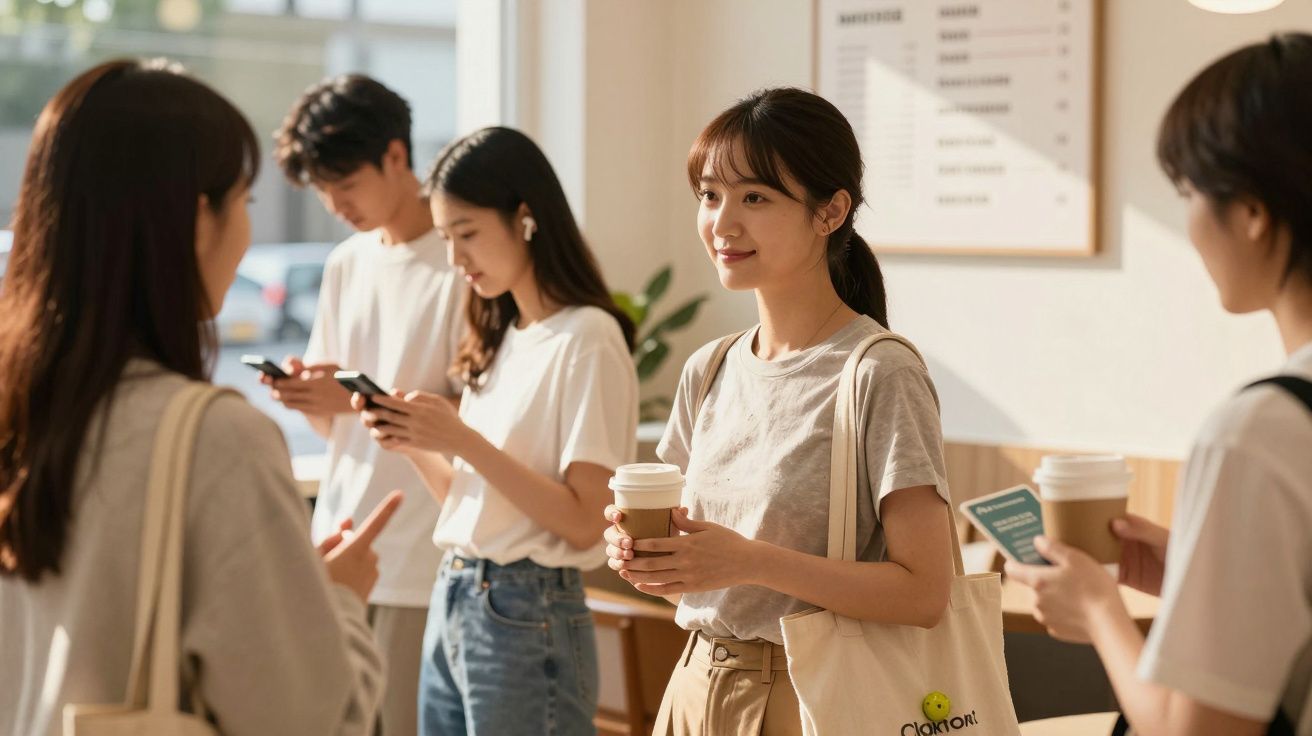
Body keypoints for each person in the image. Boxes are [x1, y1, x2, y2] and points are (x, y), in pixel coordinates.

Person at [0, 59, 394, 736]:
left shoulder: (22, 412)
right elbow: (312, 720)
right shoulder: (215, 439)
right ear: (194, 219)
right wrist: (338, 605)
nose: (245, 236)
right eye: (243, 202)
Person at [603, 87, 955, 735]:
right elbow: (691, 560)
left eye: (755, 197)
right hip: (693, 685)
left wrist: (750, 560)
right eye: (710, 196)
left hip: (812, 695)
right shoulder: (708, 369)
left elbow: (926, 593)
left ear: (831, 211)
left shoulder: (879, 372)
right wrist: (643, 555)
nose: (723, 223)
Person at [1007, 33, 1312, 736]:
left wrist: (1101, 615)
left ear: (1253, 213)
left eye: (1188, 192)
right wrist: (1199, 580)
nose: (1190, 223)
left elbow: (1192, 731)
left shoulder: (1259, 432)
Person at [352, 126, 638, 736]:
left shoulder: (588, 338)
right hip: (457, 592)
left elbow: (587, 518)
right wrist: (415, 444)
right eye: (446, 238)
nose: (455, 261)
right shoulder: (502, 337)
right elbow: (475, 504)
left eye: (467, 234)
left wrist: (460, 439)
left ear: (526, 218)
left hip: (526, 611)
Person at [268, 73, 466, 736]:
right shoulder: (345, 264)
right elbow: (336, 429)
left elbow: (480, 418)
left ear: (395, 155)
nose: (334, 204)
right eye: (322, 189)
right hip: (339, 540)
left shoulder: (463, 258)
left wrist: (354, 398)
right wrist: (308, 397)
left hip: (421, 550)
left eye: (344, 184)